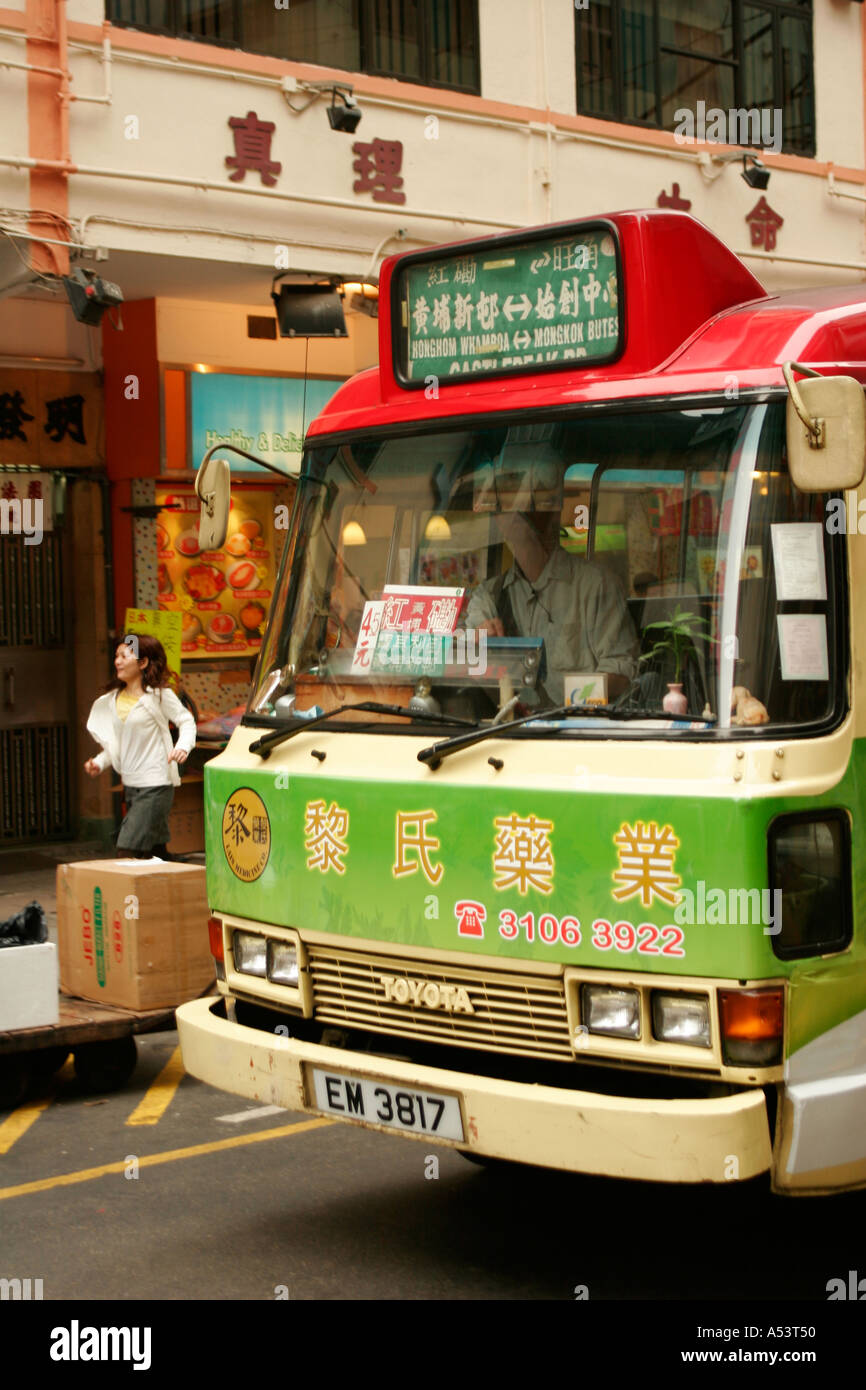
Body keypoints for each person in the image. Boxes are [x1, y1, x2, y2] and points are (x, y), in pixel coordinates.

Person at [465, 508, 639, 705]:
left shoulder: (596, 585)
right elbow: (465, 658)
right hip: (504, 727)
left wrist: (574, 697)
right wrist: (476, 643)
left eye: (524, 509)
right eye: (503, 509)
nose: (513, 518)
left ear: (551, 516)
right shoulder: (491, 594)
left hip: (577, 729)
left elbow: (622, 672)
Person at [84, 635, 196, 860]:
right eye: (117, 655)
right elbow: (117, 742)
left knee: (127, 849)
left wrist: (183, 746)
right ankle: (171, 887)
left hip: (156, 783)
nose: (118, 661)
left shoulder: (158, 696)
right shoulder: (113, 699)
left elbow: (186, 720)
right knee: (153, 852)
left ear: (143, 663)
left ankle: (122, 895)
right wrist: (99, 762)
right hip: (132, 786)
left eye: (125, 655)